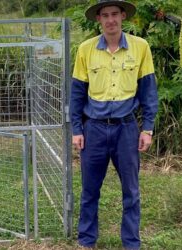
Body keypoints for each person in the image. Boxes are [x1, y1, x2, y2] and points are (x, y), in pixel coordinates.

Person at [70, 0, 158, 249]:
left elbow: (149, 91)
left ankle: (131, 242)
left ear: (123, 17)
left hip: (127, 130)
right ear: (99, 19)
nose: (111, 20)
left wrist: (147, 128)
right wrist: (77, 129)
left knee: (131, 191)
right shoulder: (86, 49)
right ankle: (87, 240)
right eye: (105, 15)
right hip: (94, 129)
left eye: (115, 15)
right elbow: (77, 93)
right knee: (90, 190)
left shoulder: (140, 47)